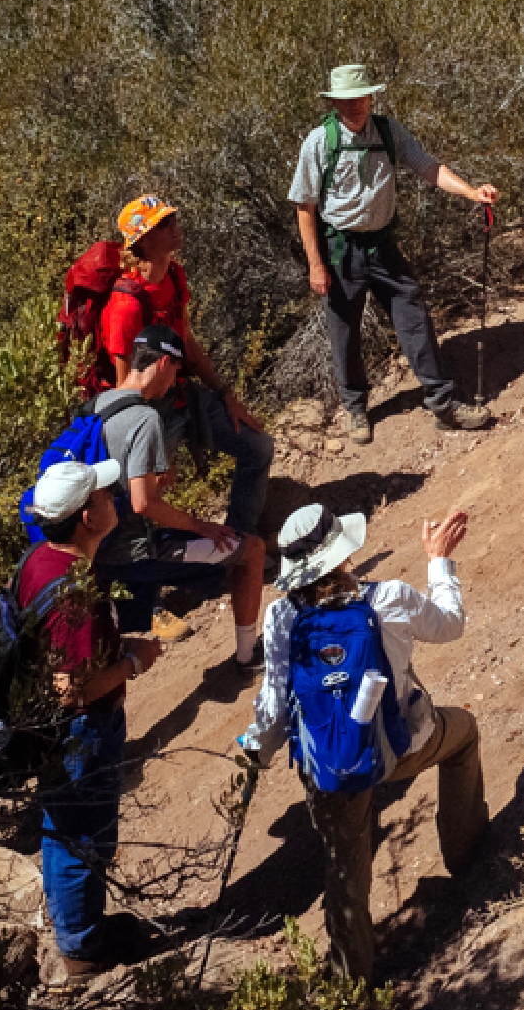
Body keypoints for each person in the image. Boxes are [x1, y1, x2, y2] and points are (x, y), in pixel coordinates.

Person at [238, 502, 486, 983]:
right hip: (403, 746)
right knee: (464, 735)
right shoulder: (388, 597)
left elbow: (274, 704)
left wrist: (257, 750)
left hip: (328, 764)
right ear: (342, 555)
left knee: (344, 872)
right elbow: (450, 624)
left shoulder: (280, 619)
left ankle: (352, 983)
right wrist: (439, 561)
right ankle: (467, 852)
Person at [289, 64, 495, 444]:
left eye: (361, 98)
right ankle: (355, 409)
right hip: (341, 251)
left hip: (382, 246)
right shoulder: (319, 142)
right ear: (334, 102)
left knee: (413, 316)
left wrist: (470, 192)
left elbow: (428, 168)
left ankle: (443, 404)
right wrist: (315, 265)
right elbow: (304, 206)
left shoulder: (387, 131)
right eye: (346, 100)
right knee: (344, 332)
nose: (355, 106)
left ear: (371, 96)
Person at [23, 459, 166, 983]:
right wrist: (132, 664)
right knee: (76, 836)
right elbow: (73, 689)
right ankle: (82, 952)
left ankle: (87, 931)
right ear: (87, 515)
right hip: (82, 732)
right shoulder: (73, 591)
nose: (114, 499)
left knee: (72, 831)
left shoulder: (41, 561)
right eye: (105, 495)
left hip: (65, 732)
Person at [94, 325, 267, 672]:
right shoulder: (146, 417)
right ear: (161, 364)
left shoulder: (95, 407)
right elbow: (143, 504)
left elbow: (117, 484)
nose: (174, 383)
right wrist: (201, 527)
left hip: (97, 552)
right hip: (137, 551)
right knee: (252, 550)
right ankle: (249, 656)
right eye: (175, 371)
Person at [99, 194, 274, 538]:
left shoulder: (174, 277)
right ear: (144, 239)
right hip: (148, 410)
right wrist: (154, 450)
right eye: (165, 225)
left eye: (173, 220)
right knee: (144, 498)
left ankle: (237, 543)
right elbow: (125, 390)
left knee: (257, 447)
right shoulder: (125, 306)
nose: (176, 229)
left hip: (181, 394)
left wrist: (225, 395)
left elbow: (187, 344)